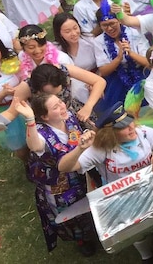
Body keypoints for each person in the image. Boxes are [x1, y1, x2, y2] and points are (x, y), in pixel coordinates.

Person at [56, 106, 153, 262]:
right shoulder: (101, 148)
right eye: (123, 127)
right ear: (110, 133)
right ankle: (147, 257)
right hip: (124, 198)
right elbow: (64, 167)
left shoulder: (143, 133)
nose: (131, 128)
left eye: (130, 122)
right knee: (136, 230)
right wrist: (79, 149)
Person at [14, 95, 98, 255]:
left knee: (90, 204)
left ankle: (96, 228)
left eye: (60, 102)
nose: (62, 106)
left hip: (83, 174)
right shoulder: (40, 133)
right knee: (72, 216)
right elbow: (34, 146)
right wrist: (30, 120)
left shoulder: (70, 118)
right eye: (55, 107)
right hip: (61, 186)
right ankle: (82, 240)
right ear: (44, 117)